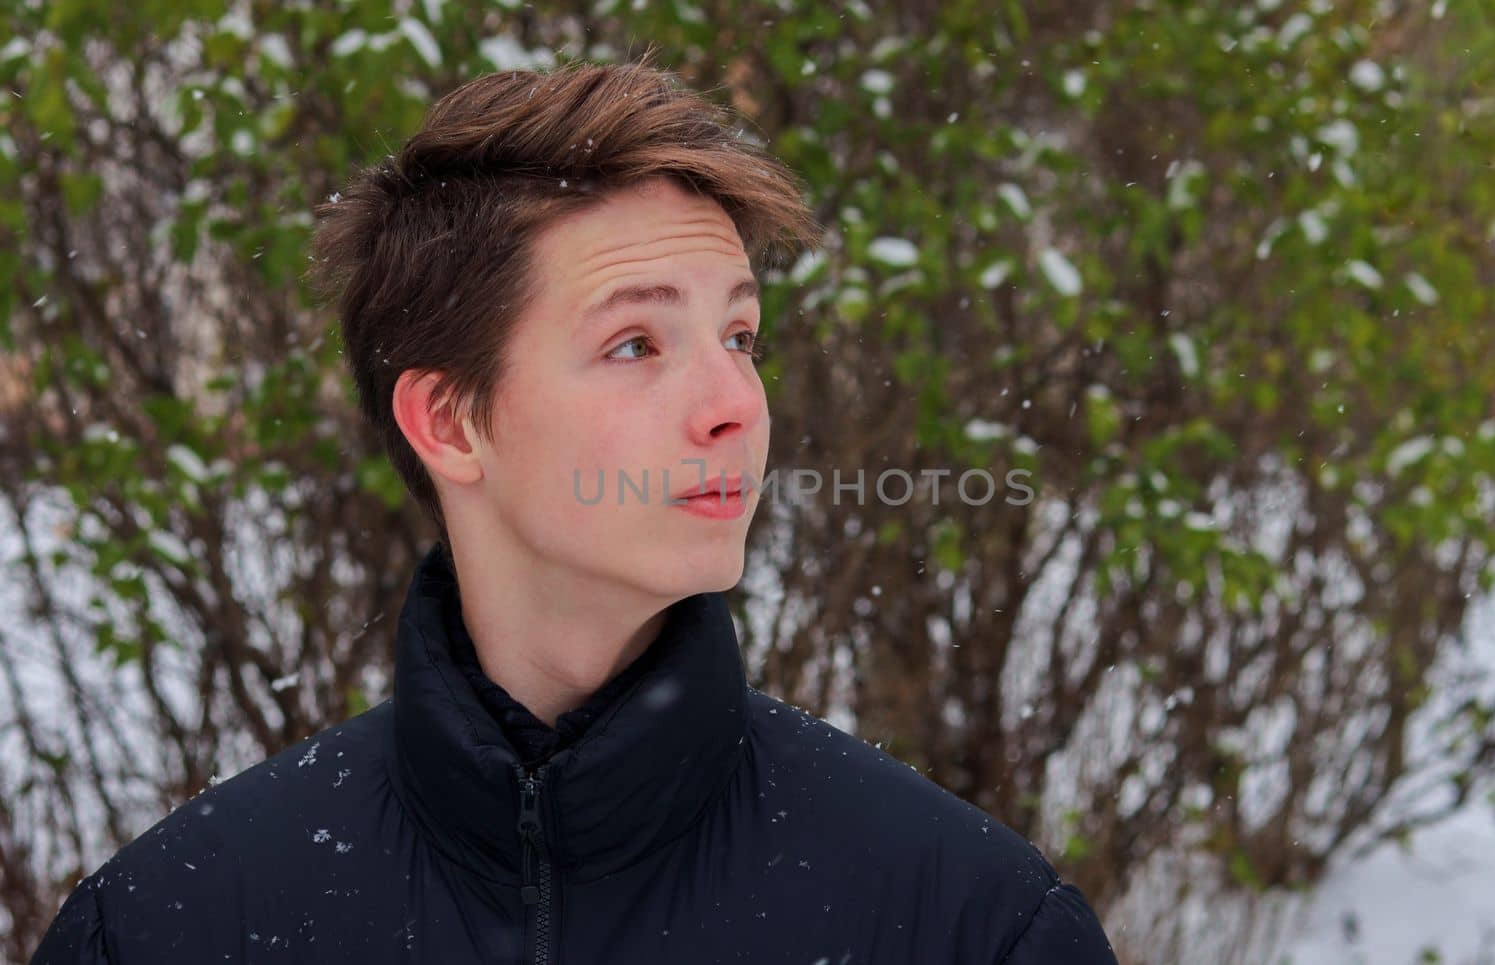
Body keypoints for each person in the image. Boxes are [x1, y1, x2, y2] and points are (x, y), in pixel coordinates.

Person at [31, 57, 1119, 964]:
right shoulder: (172, 927)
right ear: (450, 422)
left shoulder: (966, 925)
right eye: (637, 344)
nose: (734, 404)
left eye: (739, 336)